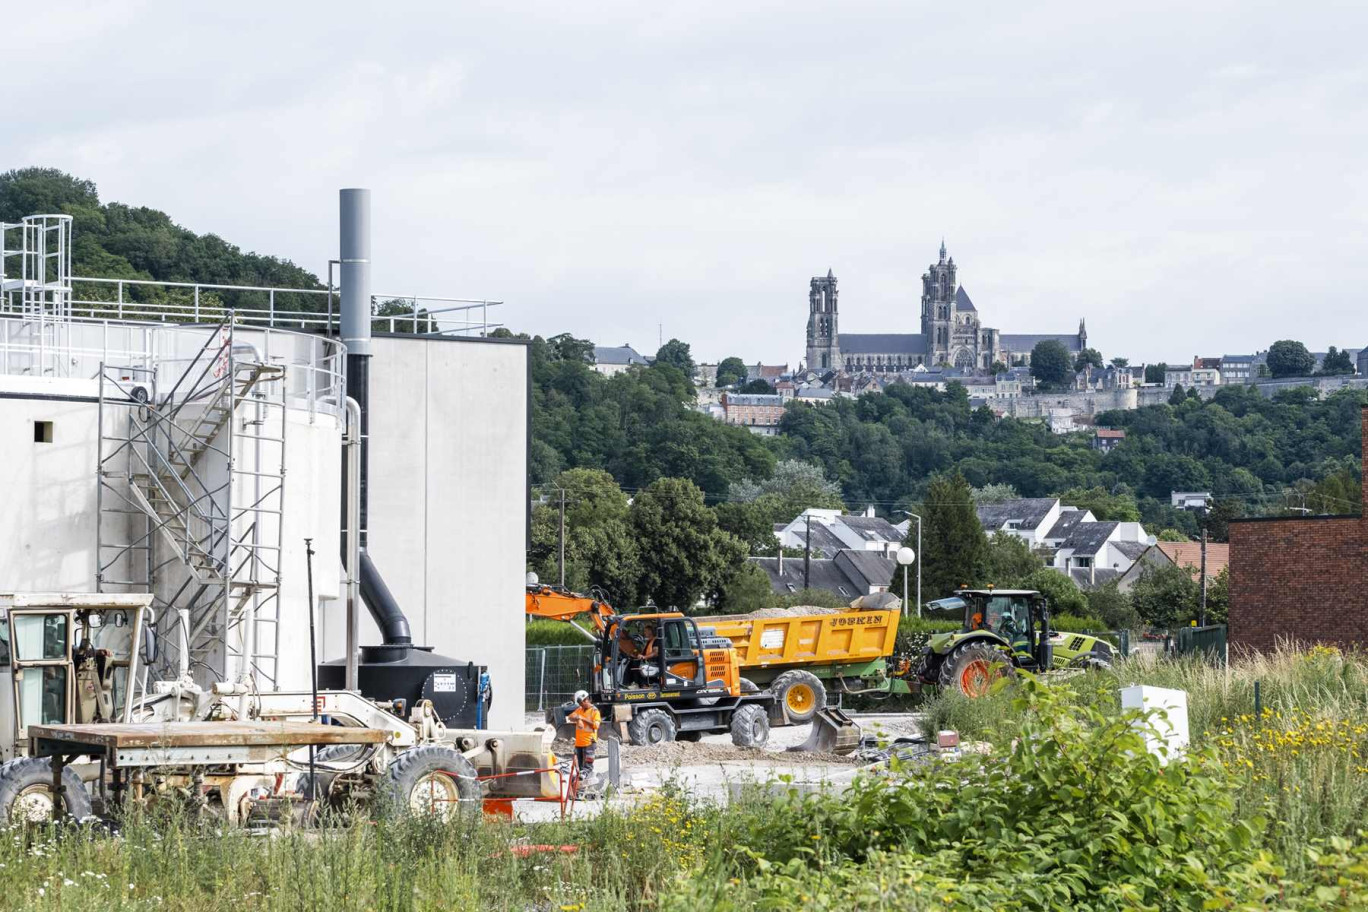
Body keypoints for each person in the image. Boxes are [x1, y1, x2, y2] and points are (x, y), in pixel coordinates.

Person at [567, 690, 601, 783]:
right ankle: (580, 784)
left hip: (589, 742)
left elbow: (596, 725)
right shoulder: (580, 710)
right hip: (579, 742)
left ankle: (588, 781)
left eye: (581, 702)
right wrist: (577, 718)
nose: (580, 705)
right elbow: (570, 717)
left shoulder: (594, 711)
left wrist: (583, 718)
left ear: (586, 700)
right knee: (580, 766)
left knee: (587, 766)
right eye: (579, 703)